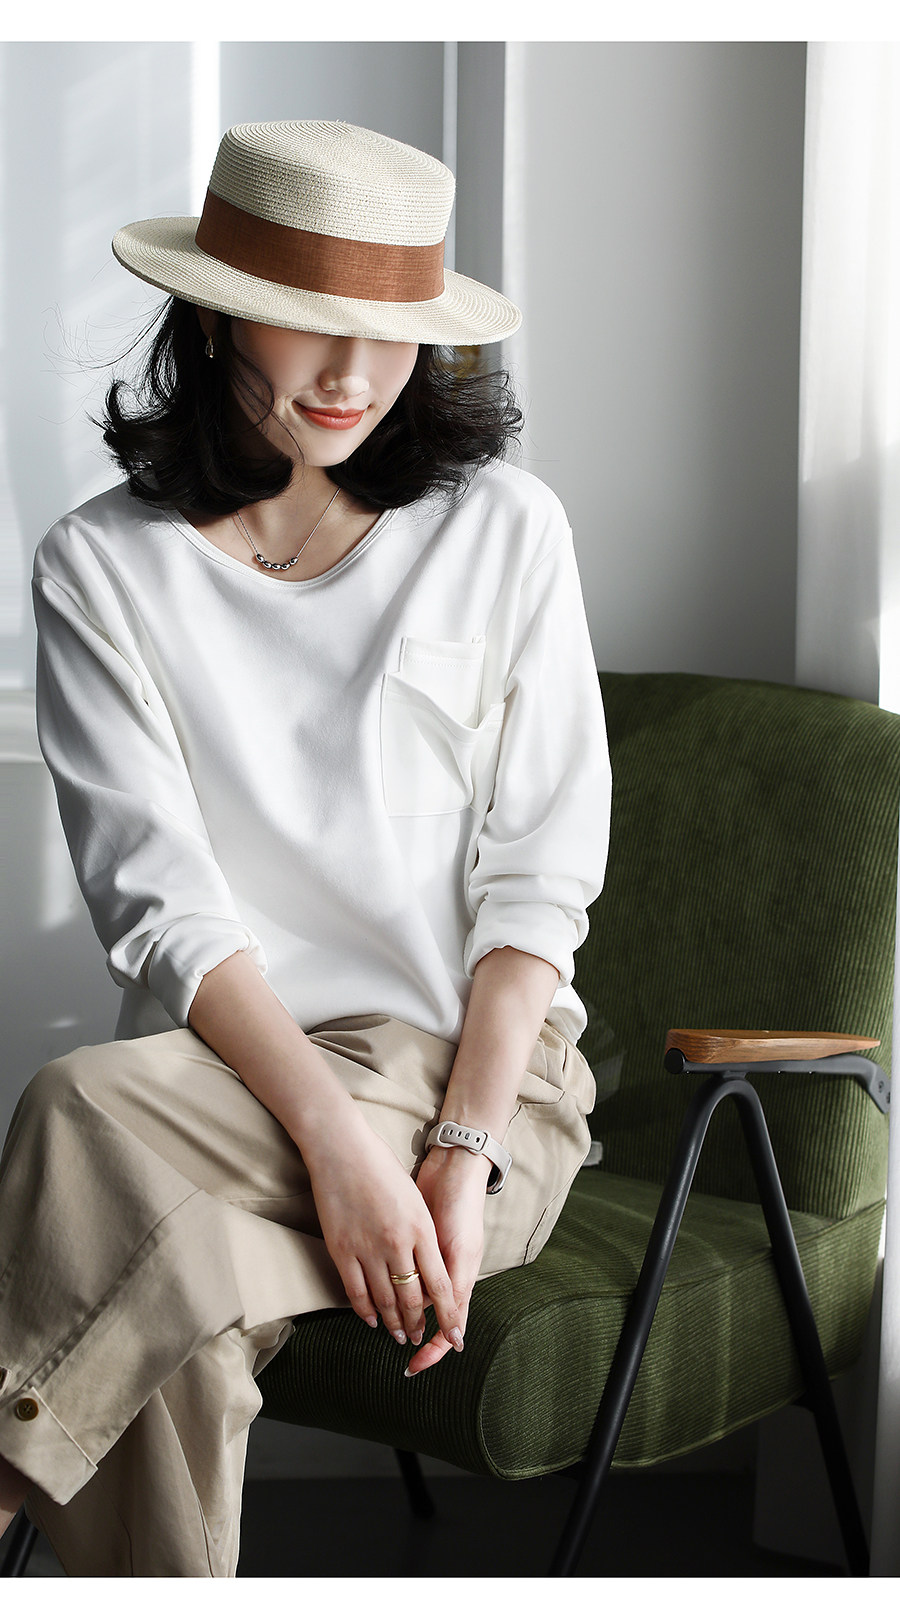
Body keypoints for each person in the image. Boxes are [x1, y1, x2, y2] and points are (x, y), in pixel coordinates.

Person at [0, 121, 611, 1577]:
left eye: (391, 332)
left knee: (77, 1106)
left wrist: (457, 1150)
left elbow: (538, 882)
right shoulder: (100, 565)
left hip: (470, 1080)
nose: (351, 373)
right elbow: (165, 908)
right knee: (182, 1312)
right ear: (215, 316)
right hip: (219, 1093)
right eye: (306, 321)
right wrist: (335, 1147)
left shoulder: (503, 529)